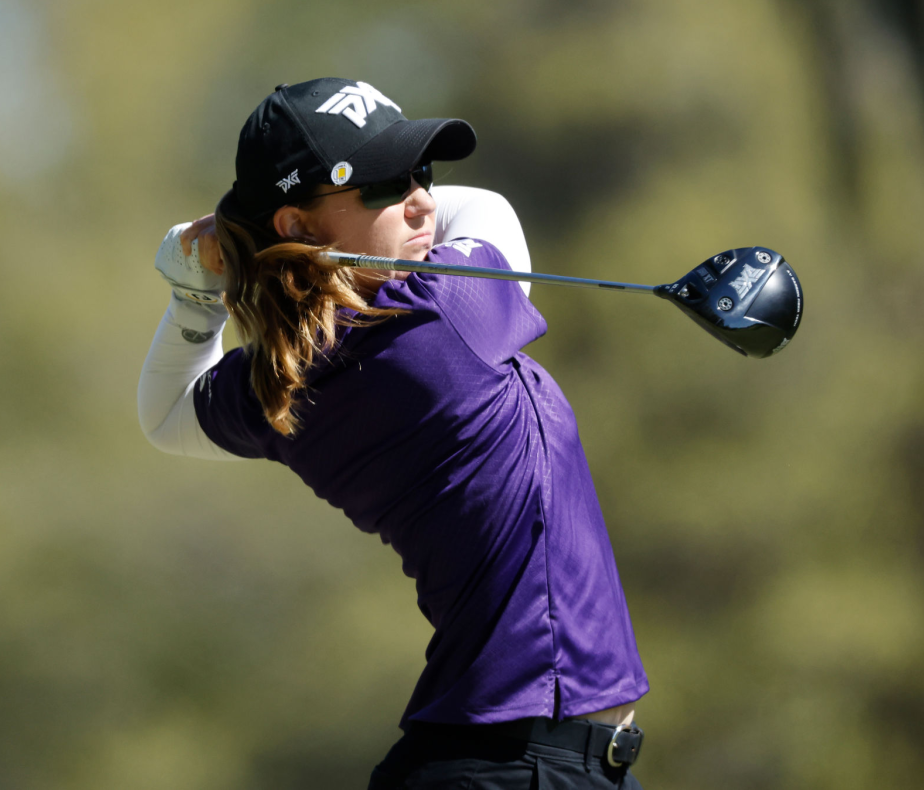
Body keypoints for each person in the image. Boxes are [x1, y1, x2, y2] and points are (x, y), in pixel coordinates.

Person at [138, 78, 648, 789]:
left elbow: (168, 413)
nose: (423, 201)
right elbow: (492, 211)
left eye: (423, 174)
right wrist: (236, 240)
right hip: (517, 769)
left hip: (502, 764)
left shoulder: (282, 380)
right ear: (298, 226)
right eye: (382, 184)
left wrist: (197, 289)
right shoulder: (441, 316)